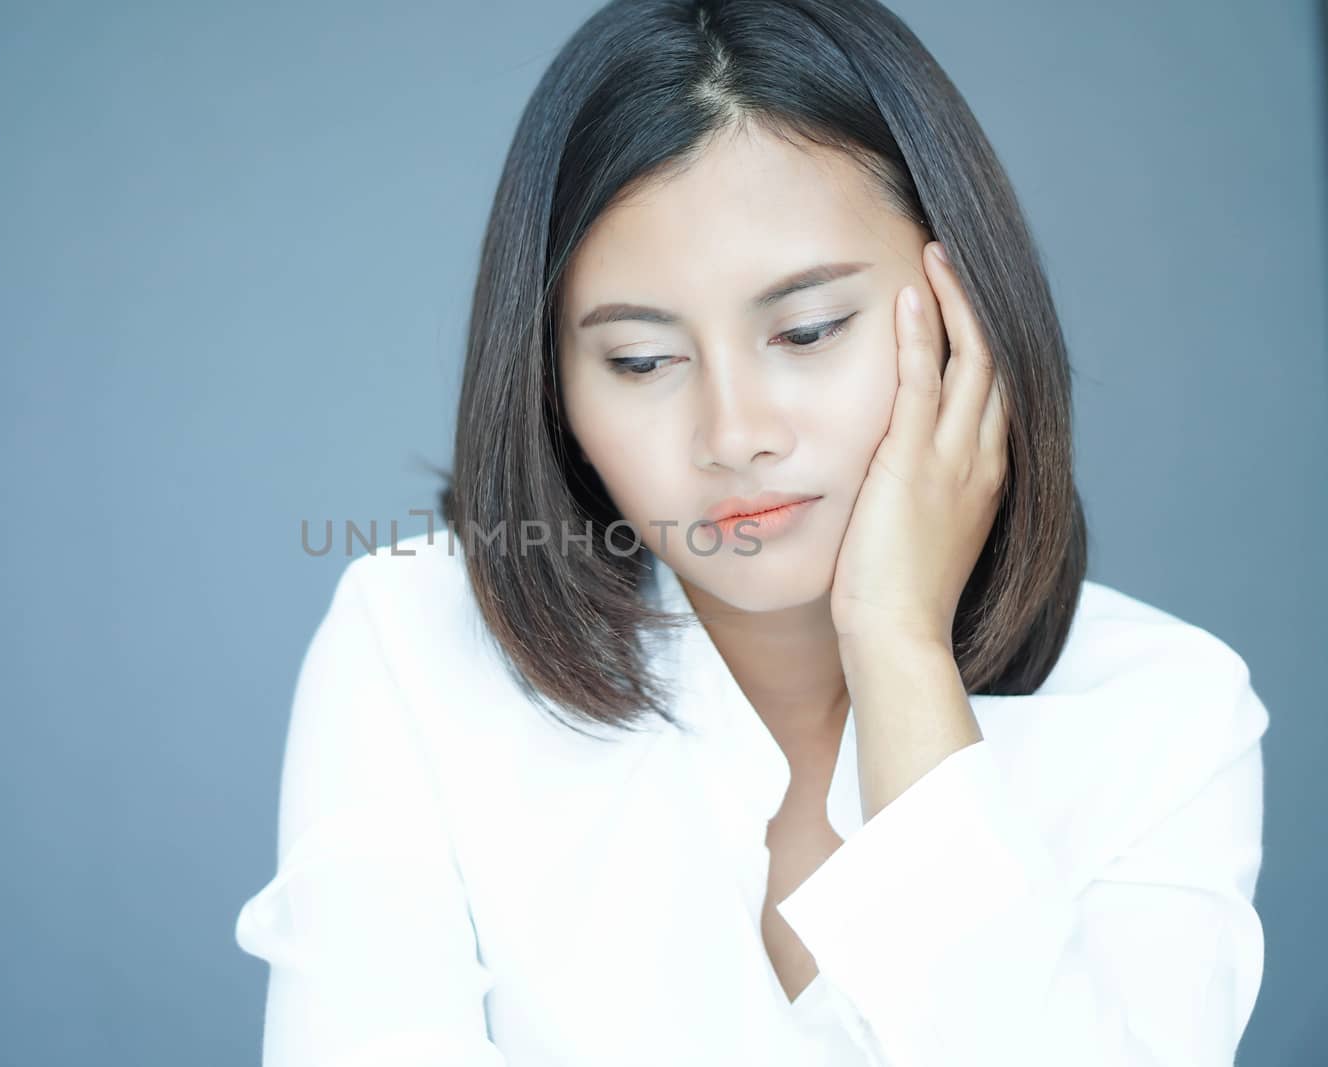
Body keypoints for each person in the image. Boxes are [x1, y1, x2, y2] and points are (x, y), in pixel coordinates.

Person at [234, 0, 1269, 1063]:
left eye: (809, 330)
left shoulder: (1163, 711)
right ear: (553, 389)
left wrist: (898, 647)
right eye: (640, 360)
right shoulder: (415, 643)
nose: (735, 434)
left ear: (966, 307)